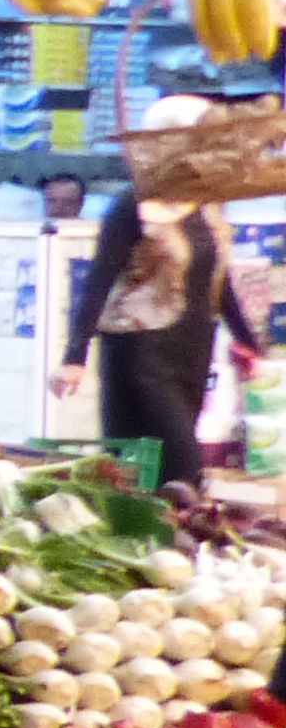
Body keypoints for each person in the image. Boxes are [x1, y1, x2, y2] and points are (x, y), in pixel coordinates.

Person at [66, 102, 260, 491]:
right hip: (141, 351)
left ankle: (163, 541)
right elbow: (99, 281)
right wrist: (74, 357)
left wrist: (248, 341)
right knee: (182, 462)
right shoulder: (132, 207)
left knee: (161, 475)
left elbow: (216, 283)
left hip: (191, 349)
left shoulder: (206, 204)